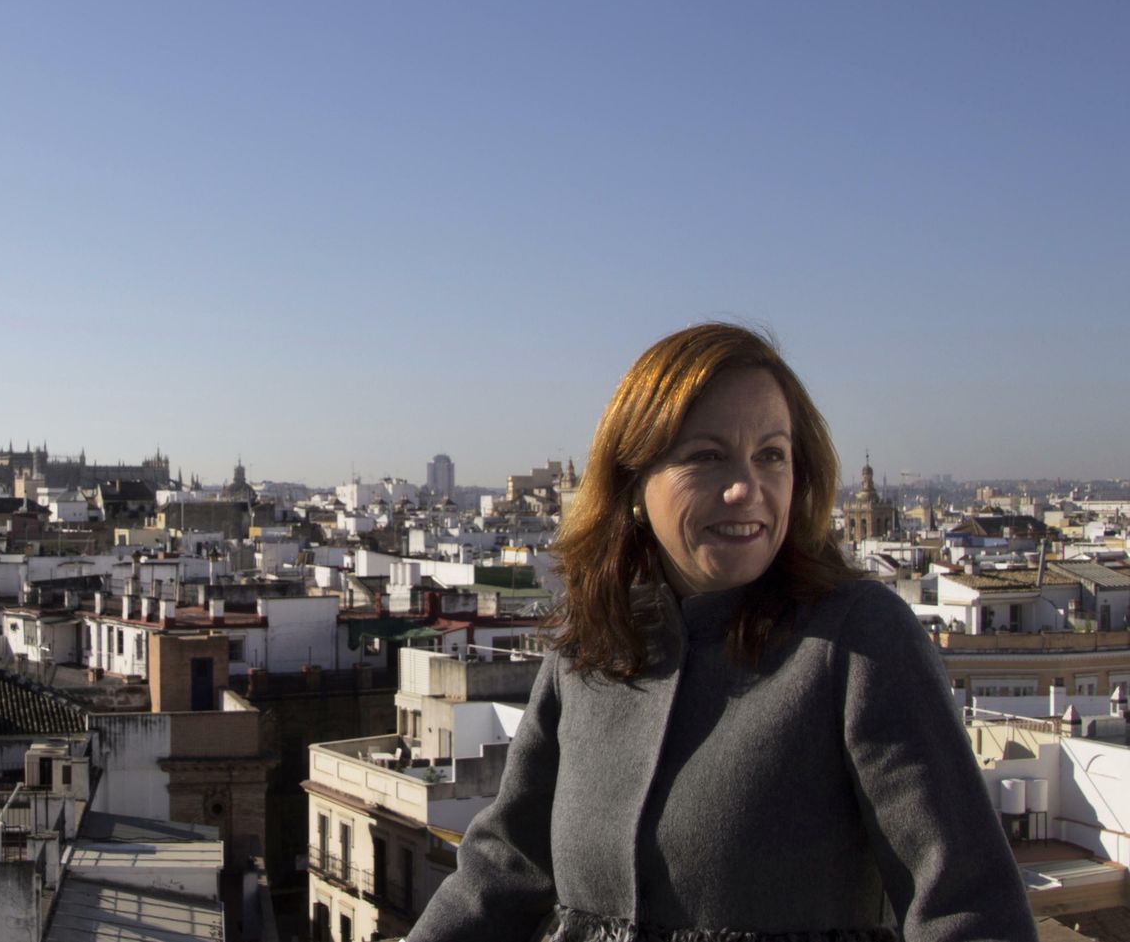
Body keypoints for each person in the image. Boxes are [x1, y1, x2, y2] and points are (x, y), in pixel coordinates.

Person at [406, 324, 1035, 942]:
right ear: (633, 483)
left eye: (771, 455)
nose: (746, 489)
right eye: (706, 457)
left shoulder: (859, 640)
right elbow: (506, 867)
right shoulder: (590, 644)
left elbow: (966, 905)